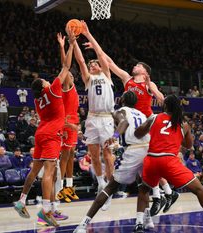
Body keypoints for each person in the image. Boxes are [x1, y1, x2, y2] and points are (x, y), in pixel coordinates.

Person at [83, 24, 175, 216]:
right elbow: (107, 60)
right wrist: (92, 41)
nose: (134, 66)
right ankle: (165, 193)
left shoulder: (149, 84)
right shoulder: (127, 79)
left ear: (144, 71)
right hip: (131, 125)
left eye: (138, 65)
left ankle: (162, 194)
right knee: (145, 163)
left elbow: (160, 98)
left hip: (146, 123)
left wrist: (154, 89)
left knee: (150, 161)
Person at [133, 95, 203, 233]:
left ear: (165, 106)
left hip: (152, 160)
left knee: (143, 190)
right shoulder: (182, 124)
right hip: (169, 161)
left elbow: (138, 133)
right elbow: (189, 145)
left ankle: (139, 225)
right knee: (200, 191)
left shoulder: (154, 117)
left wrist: (151, 132)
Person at [73, 91, 154, 233]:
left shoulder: (120, 111)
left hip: (134, 150)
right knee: (143, 186)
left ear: (122, 100)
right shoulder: (141, 114)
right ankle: (146, 220)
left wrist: (115, 136)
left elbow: (124, 122)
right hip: (147, 149)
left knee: (111, 187)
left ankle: (83, 224)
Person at [13, 38, 72, 227]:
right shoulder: (54, 89)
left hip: (40, 133)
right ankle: (46, 209)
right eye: (44, 80)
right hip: (51, 134)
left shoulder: (38, 101)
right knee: (50, 171)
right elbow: (66, 66)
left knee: (34, 170)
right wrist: (70, 44)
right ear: (44, 86)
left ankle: (21, 200)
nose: (47, 79)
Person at [72, 21, 114, 194]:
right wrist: (73, 41)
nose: (92, 65)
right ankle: (101, 184)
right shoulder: (88, 79)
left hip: (106, 118)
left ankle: (111, 186)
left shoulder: (106, 75)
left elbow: (101, 55)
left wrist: (88, 34)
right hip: (92, 118)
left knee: (108, 155)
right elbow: (81, 60)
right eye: (91, 65)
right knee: (94, 156)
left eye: (94, 64)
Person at [56, 32, 80, 203]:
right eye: (68, 75)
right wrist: (66, 47)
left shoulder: (73, 87)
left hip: (73, 122)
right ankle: (60, 190)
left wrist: (65, 46)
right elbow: (65, 65)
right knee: (64, 156)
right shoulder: (66, 86)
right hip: (66, 124)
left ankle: (69, 188)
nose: (69, 75)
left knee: (71, 155)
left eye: (71, 75)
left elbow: (66, 67)